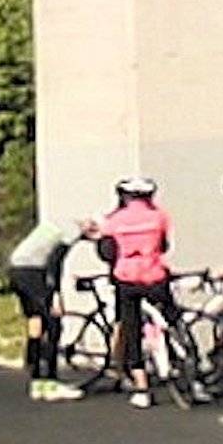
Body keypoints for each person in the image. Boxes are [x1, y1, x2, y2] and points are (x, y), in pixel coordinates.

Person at [93, 175, 174, 409]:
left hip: (127, 279)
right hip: (155, 275)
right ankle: (188, 364)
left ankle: (142, 388)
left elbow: (107, 251)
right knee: (172, 318)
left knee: (132, 329)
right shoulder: (160, 216)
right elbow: (165, 245)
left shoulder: (114, 220)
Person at [5, 212, 88, 401]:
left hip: (17, 270)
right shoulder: (71, 232)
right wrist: (56, 294)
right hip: (33, 272)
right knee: (53, 325)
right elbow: (55, 263)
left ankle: (37, 381)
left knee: (36, 322)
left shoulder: (56, 225)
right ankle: (51, 382)